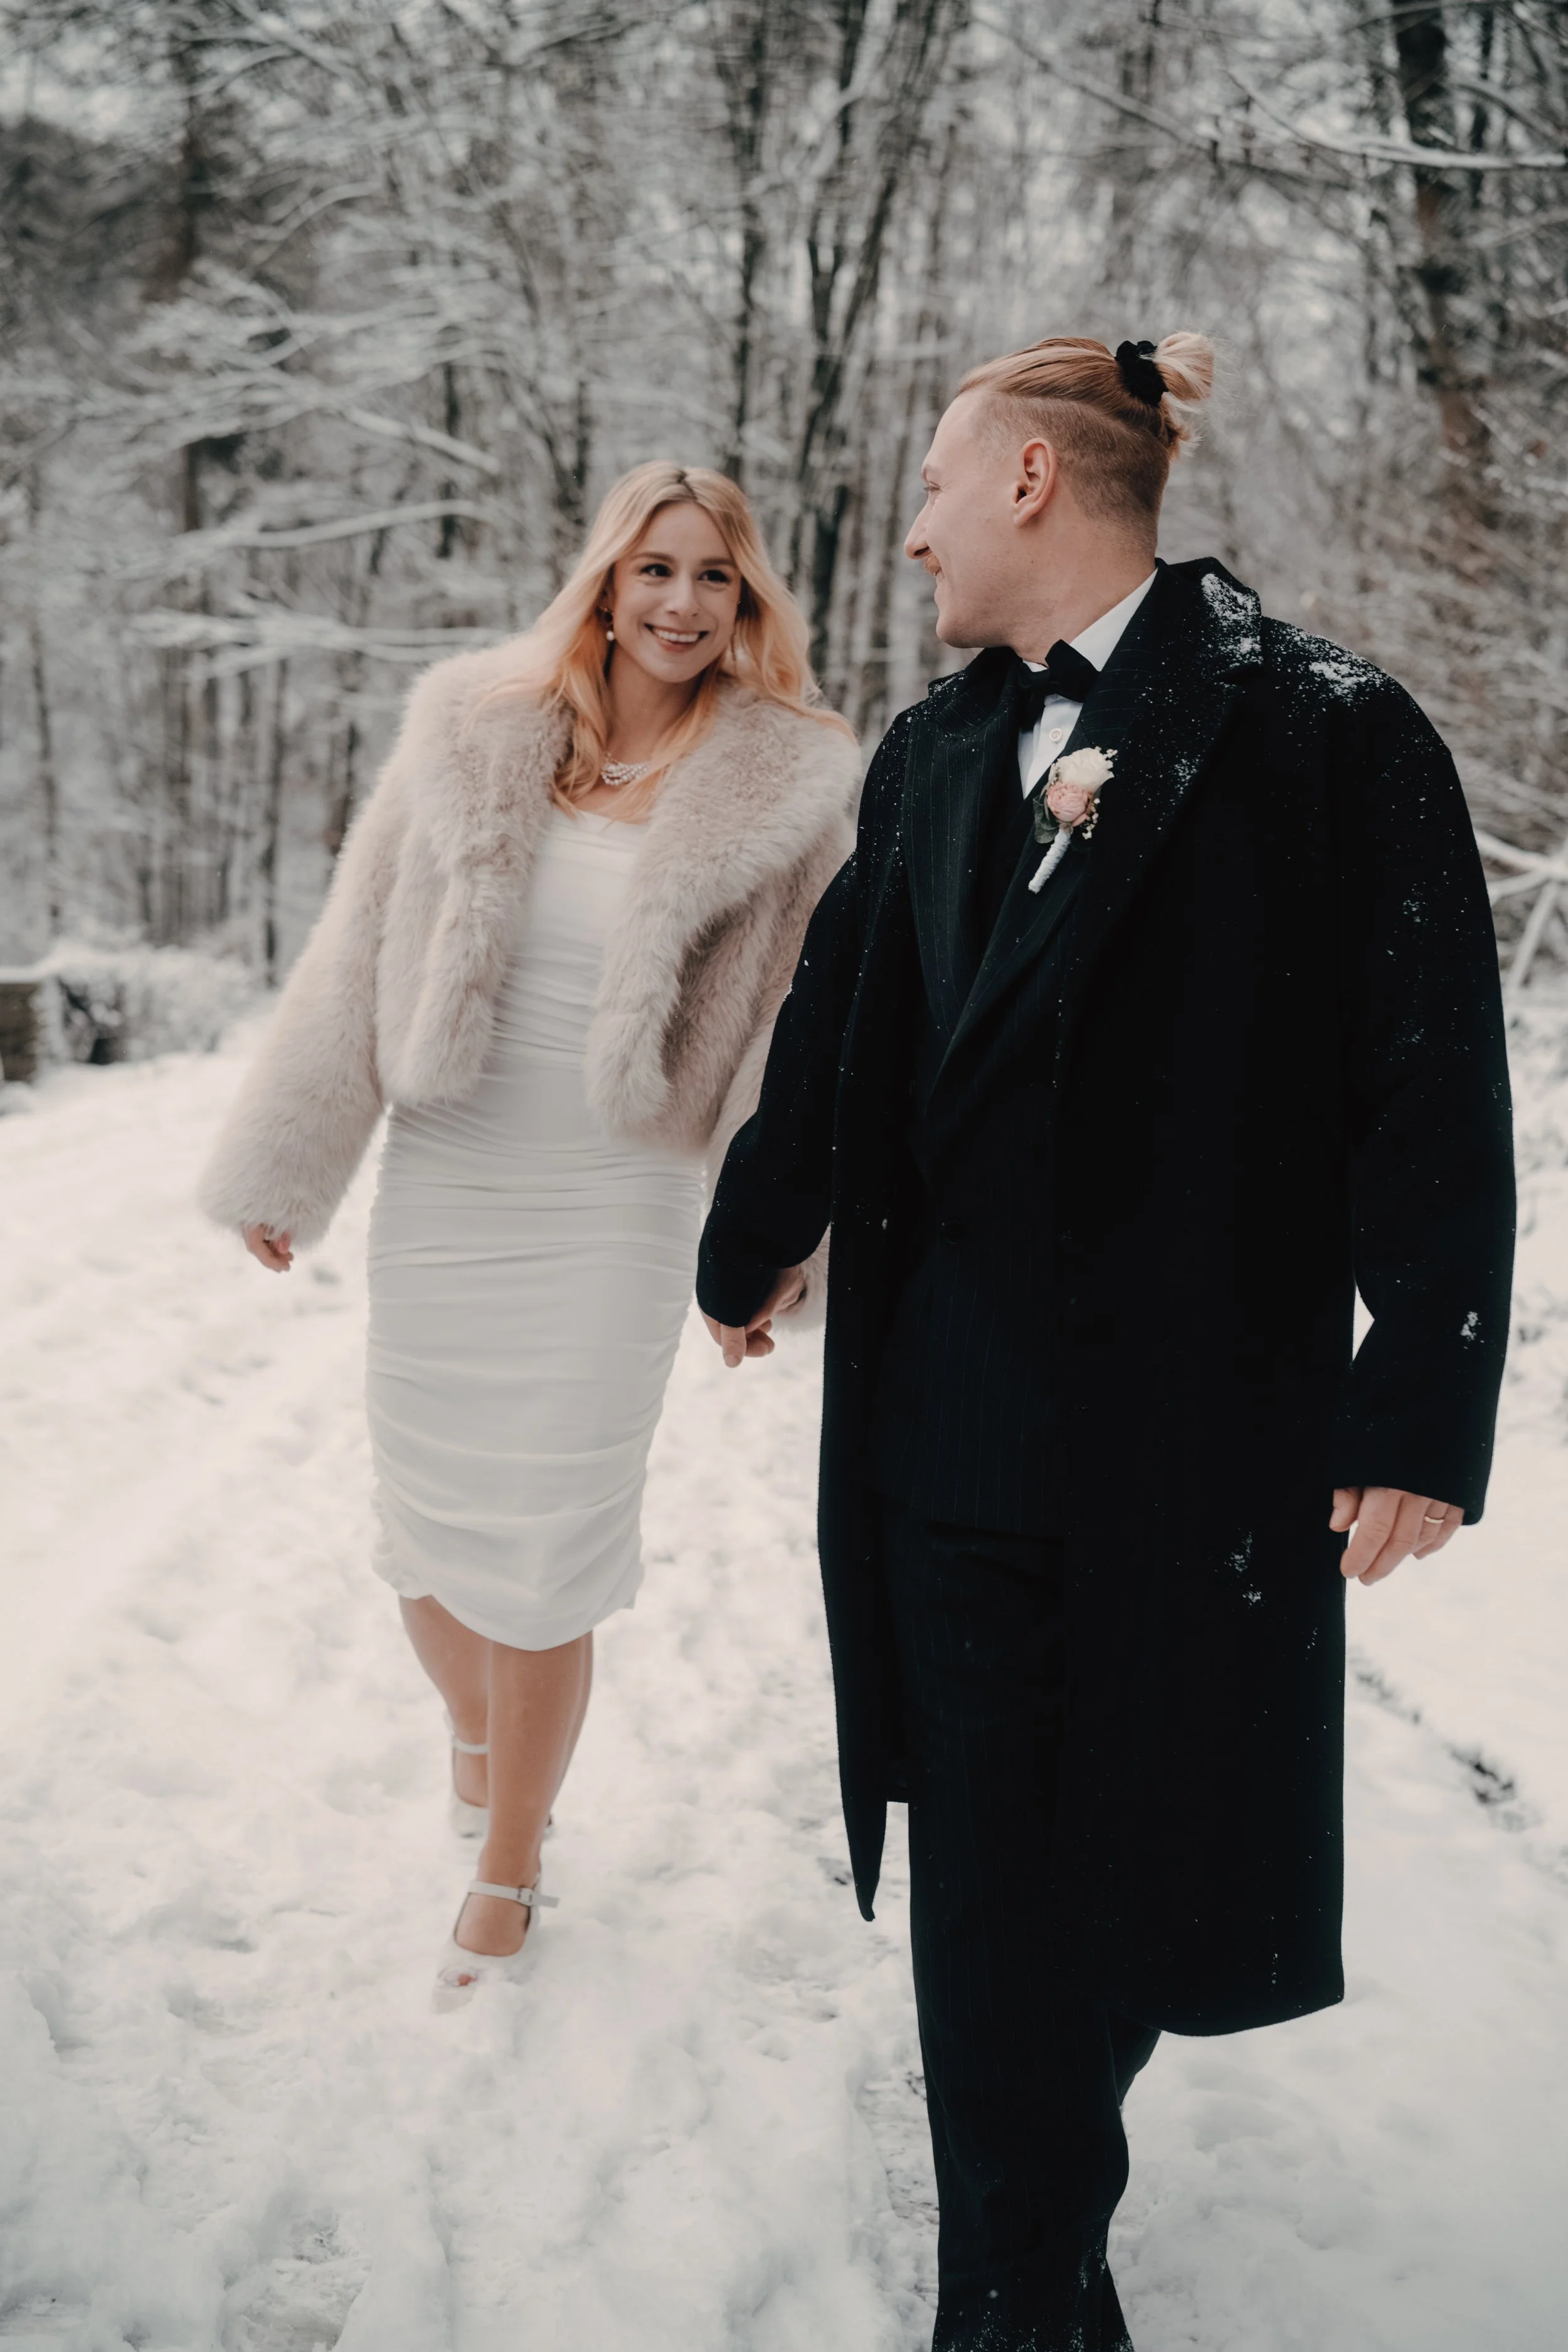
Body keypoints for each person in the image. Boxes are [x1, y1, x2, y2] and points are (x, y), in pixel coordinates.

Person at [696, 334, 1515, 2348]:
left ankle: (1036, 2230)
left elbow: (1430, 1082)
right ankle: (1024, 2296)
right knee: (987, 1895)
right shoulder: (925, 752)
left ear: (1038, 485)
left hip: (1189, 1444)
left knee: (1129, 1883)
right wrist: (751, 1238)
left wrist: (1416, 1390)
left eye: (936, 488)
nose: (906, 534)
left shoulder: (1324, 729)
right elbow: (841, 1025)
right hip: (944, 1440)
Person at [201, 461, 857, 2006]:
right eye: (657, 572)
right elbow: (358, 945)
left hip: (616, 1195)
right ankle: (481, 1735)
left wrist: (768, 1248)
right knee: (424, 1540)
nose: (683, 604)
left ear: (747, 599)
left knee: (546, 1552)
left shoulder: (793, 782)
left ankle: (511, 1861)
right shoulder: (473, 731)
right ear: (606, 583)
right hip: (452, 1172)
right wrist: (289, 1167)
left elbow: (792, 1030)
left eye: (715, 578)